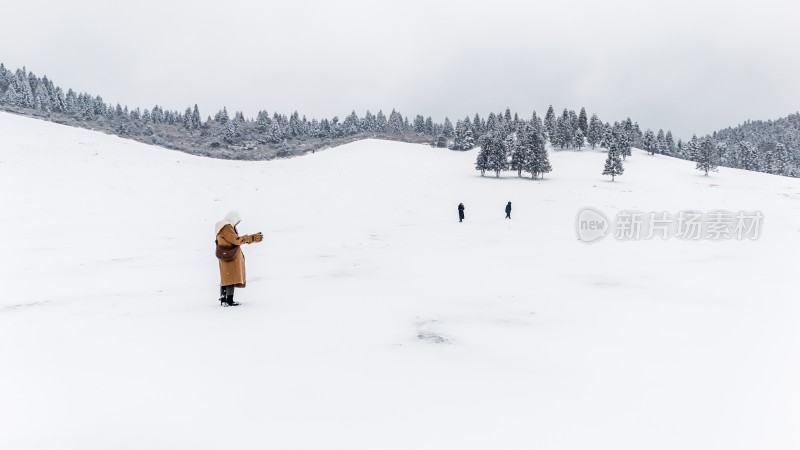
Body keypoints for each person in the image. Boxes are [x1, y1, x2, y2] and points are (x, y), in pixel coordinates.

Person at [215, 211, 263, 307]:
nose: (236, 223)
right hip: (230, 256)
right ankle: (229, 300)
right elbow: (236, 240)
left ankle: (224, 299)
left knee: (226, 278)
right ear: (232, 218)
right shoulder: (226, 226)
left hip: (225, 254)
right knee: (230, 278)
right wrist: (251, 238)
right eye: (236, 221)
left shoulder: (222, 227)